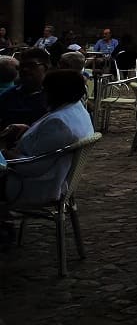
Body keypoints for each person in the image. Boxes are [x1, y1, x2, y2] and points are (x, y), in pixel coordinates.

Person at [2, 69, 94, 209]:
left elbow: (31, 168)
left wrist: (5, 153)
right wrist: (29, 131)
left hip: (32, 185)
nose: (42, 94)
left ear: (55, 93)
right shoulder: (76, 109)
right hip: (55, 179)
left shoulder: (59, 123)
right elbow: (50, 145)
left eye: (45, 90)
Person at [0, 49, 50, 132]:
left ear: (46, 67)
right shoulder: (8, 95)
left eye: (31, 65)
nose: (25, 69)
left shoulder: (55, 97)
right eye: (21, 66)